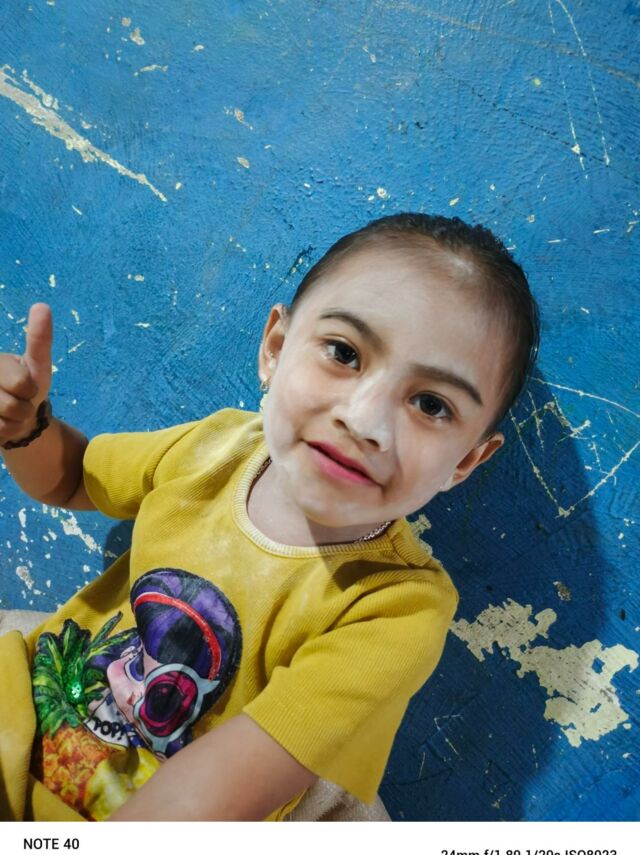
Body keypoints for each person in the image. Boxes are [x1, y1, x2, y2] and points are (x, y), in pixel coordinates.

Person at [0, 213, 539, 821]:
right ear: (275, 349)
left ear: (465, 461)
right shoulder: (213, 449)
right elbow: (73, 478)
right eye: (344, 353)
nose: (365, 421)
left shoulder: (398, 609)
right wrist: (27, 430)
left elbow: (208, 799)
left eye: (431, 405)